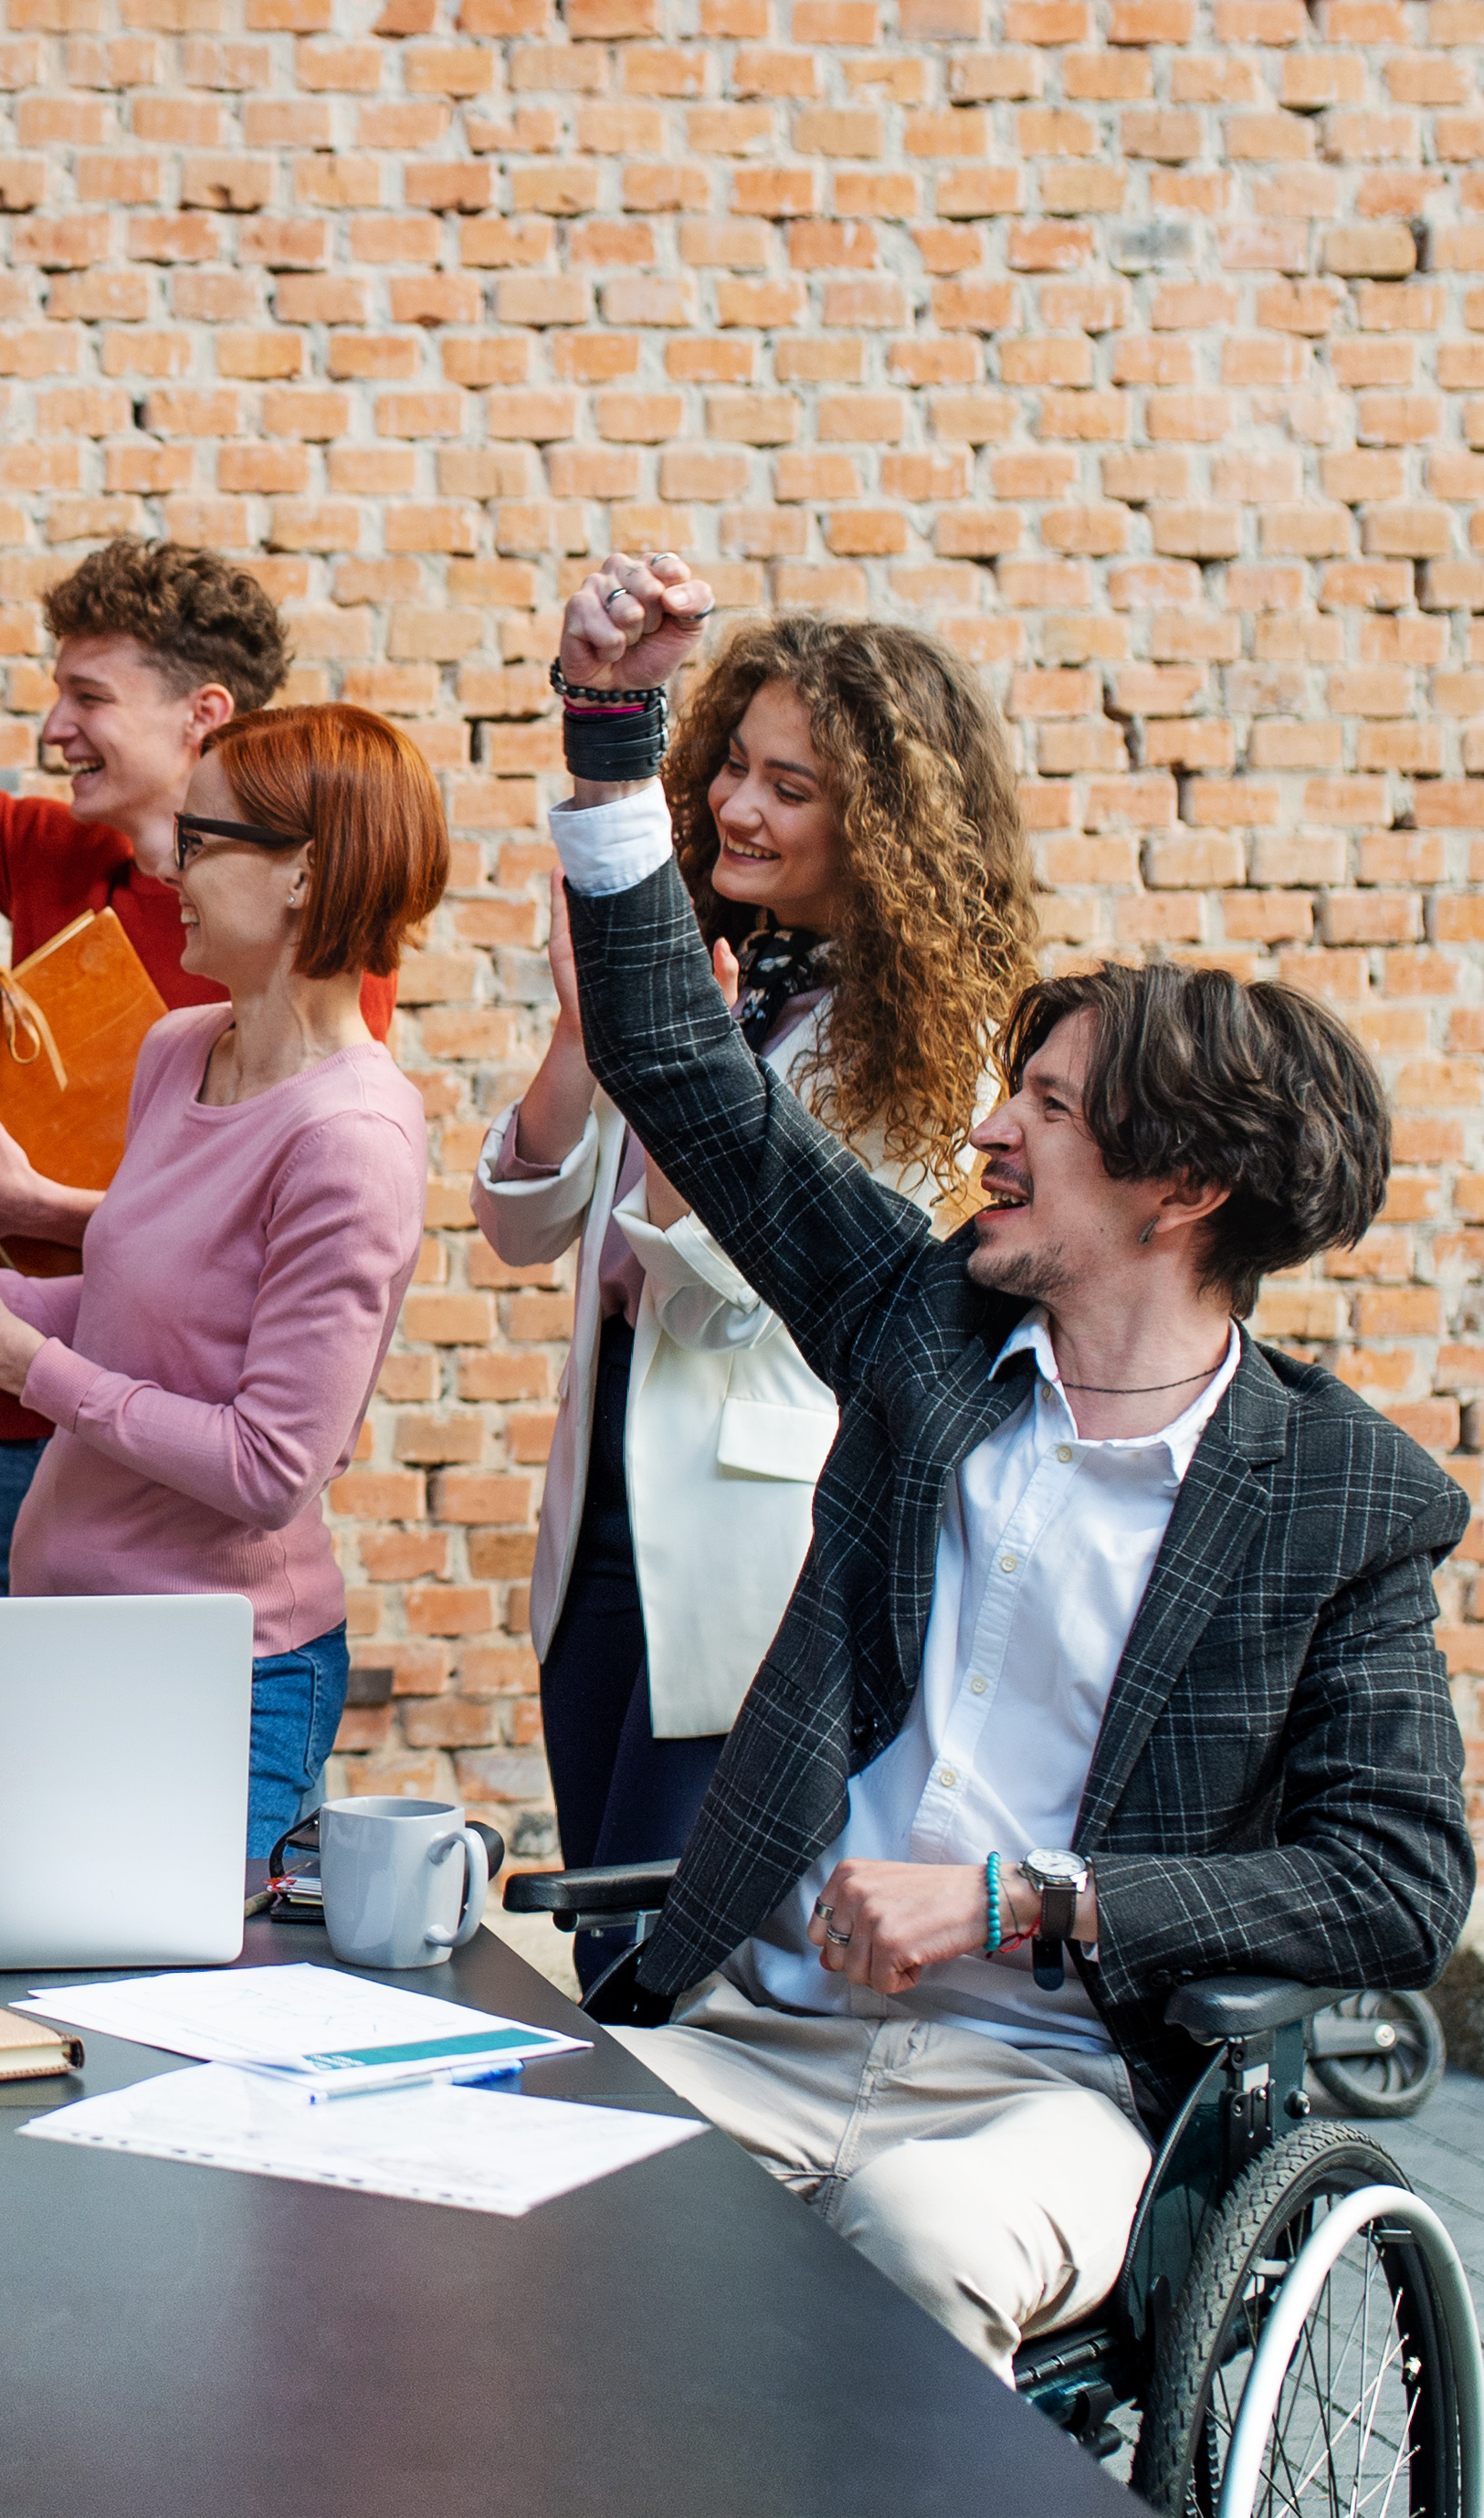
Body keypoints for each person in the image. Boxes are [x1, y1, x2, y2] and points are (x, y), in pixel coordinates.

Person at [540, 548, 1471, 2369]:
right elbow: (676, 1060)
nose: (982, 1132)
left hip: (1043, 2096)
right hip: (758, 2036)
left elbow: (1392, 1883)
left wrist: (1024, 1903)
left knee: (897, 2255)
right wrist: (607, 731)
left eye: (1041, 1110)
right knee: (504, 2195)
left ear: (1178, 1187)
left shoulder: (1338, 1503)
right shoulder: (922, 1338)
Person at [478, 614, 1040, 1981]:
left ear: (886, 826)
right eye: (730, 766)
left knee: (662, 1959)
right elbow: (519, 1222)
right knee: (603, 1919)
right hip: (597, 1530)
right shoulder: (706, 979)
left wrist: (682, 1081)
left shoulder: (928, 1050)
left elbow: (738, 1299)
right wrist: (584, 1040)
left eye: (788, 788)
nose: (733, 804)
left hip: (749, 1557)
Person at [0, 348, 395, 1598]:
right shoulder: (50, 856)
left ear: (202, 714)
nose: (49, 732)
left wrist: (38, 1212)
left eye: (88, 697)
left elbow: (260, 1257)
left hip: (162, 1450)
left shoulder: (310, 948)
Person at [0, 702, 445, 1873]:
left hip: (220, 1682)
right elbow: (130, 1317)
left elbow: (269, 1469)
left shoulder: (352, 1137)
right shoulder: (179, 1051)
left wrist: (14, 1360)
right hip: (60, 1644)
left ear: (304, 878)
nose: (166, 863)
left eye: (202, 838)